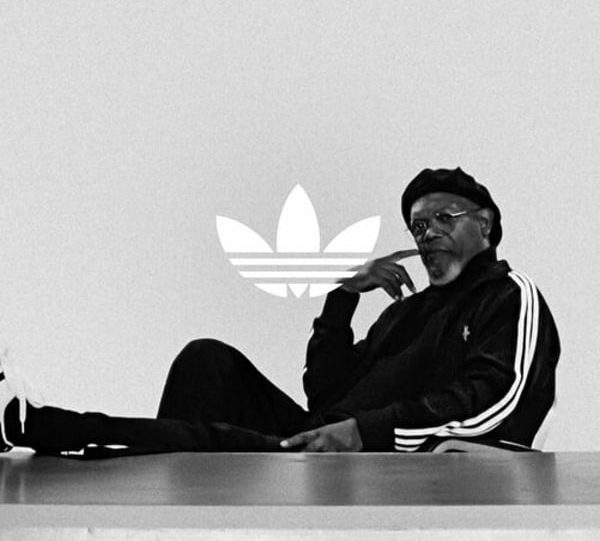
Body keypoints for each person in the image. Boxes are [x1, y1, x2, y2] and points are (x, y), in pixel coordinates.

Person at [0, 167, 560, 456]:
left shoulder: (510, 296)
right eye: (418, 225)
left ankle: (34, 425)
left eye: (443, 218)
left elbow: (497, 403)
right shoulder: (403, 315)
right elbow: (326, 394)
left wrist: (366, 433)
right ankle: (180, 511)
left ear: (484, 223)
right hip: (322, 444)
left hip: (377, 462)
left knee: (204, 442)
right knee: (206, 362)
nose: (427, 233)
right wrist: (342, 296)